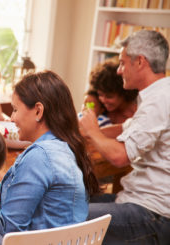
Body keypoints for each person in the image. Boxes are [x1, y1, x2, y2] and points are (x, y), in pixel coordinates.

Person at [0, 71, 100, 245]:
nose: (12, 118)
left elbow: (7, 234)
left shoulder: (40, 157)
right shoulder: (66, 147)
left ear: (38, 111)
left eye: (15, 109)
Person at [79, 30, 170, 244]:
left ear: (140, 62)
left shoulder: (159, 100)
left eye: (122, 63)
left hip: (152, 215)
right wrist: (84, 131)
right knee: (68, 202)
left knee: (64, 218)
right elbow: (124, 129)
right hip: (139, 202)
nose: (119, 71)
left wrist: (92, 131)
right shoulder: (159, 94)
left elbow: (120, 157)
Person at [89, 58, 138, 124]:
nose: (103, 100)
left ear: (124, 93)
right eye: (100, 94)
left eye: (109, 96)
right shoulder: (100, 108)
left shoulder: (137, 114)